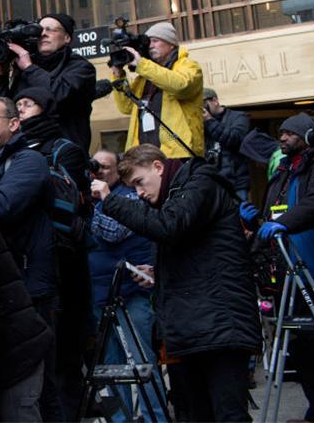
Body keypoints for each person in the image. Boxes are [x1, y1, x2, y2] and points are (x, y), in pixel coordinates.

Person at [100, 144, 260, 422]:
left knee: (228, 414)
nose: (139, 193)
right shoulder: (177, 195)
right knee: (198, 414)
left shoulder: (200, 183)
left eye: (140, 182)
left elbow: (169, 227)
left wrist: (110, 200)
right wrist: (157, 274)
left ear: (158, 167)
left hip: (220, 324)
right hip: (199, 325)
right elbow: (199, 257)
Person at [13, 86, 92, 420]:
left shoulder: (64, 150)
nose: (21, 109)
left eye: (28, 104)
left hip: (62, 260)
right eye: (17, 105)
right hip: (31, 258)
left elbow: (73, 202)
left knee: (63, 356)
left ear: (45, 108)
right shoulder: (13, 150)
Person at [0, 95, 59, 421]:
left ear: (13, 124)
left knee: (35, 391)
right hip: (2, 291)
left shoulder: (29, 161)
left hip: (31, 290)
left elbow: (0, 208)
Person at [241, 113, 314, 422]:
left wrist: (281, 224)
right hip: (290, 270)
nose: (282, 138)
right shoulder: (284, 170)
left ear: (308, 135)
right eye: (281, 133)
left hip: (313, 266)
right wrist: (255, 219)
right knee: (303, 350)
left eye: (289, 133)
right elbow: (275, 214)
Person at [87, 151, 166, 423]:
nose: (99, 173)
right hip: (101, 293)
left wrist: (101, 200)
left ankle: (155, 419)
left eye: (106, 168)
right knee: (111, 367)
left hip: (132, 293)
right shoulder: (97, 198)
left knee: (143, 364)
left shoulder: (132, 195)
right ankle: (120, 420)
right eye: (95, 168)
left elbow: (113, 231)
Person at [0, 12, 97, 151]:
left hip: (62, 156)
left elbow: (58, 94)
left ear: (67, 37)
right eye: (40, 30)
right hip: (24, 151)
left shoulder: (82, 68)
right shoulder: (25, 68)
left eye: (50, 30)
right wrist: (0, 75)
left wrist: (29, 67)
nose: (43, 34)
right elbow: (5, 110)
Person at [110, 22, 204, 158]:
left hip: (178, 153)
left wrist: (142, 64)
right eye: (149, 42)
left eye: (155, 41)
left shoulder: (189, 65)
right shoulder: (145, 75)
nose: (151, 45)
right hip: (143, 156)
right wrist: (118, 75)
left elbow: (181, 86)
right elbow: (126, 107)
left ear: (171, 44)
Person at [203, 87, 250, 200]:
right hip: (213, 181)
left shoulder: (239, 117)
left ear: (215, 100)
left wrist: (209, 120)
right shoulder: (200, 123)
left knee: (240, 215)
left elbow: (234, 139)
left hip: (236, 183)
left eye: (204, 104)